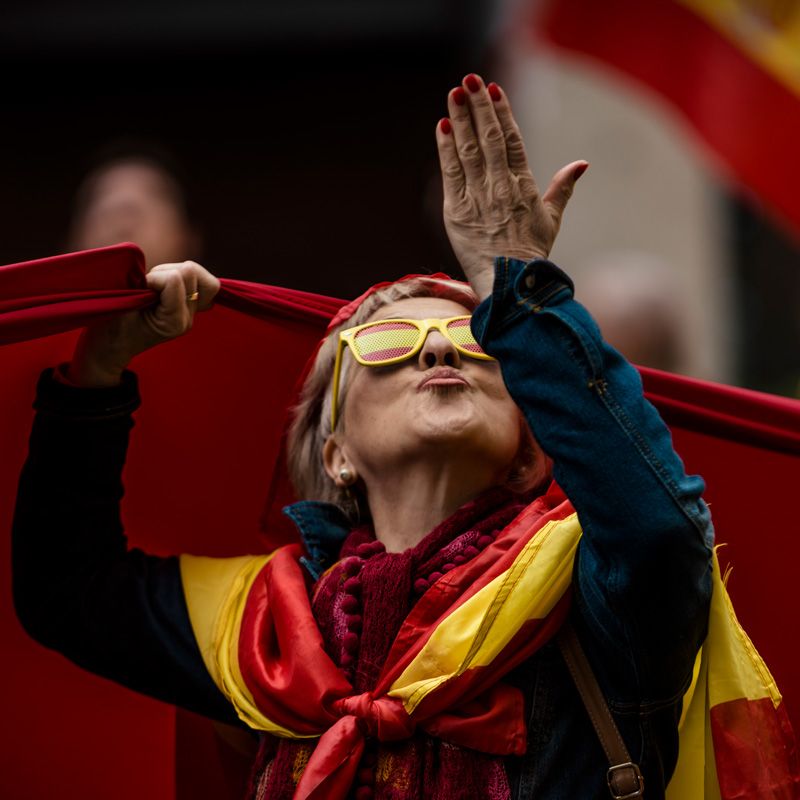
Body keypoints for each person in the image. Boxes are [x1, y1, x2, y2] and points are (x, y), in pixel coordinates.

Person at [12, 74, 713, 799]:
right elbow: (67, 588)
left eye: (475, 342)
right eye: (389, 341)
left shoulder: (594, 594)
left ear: (527, 446)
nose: (440, 351)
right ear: (335, 450)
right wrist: (96, 373)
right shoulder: (260, 628)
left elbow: (660, 534)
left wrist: (525, 293)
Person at [67, 146, 202, 270]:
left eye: (153, 193)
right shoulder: (47, 295)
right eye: (102, 195)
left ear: (188, 238)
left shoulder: (216, 295)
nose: (124, 207)